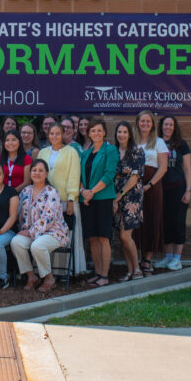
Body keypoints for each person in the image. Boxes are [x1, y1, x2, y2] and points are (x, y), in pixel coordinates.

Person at [11, 160, 69, 293]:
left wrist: (30, 232)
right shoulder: (25, 191)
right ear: (30, 172)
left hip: (53, 233)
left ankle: (49, 279)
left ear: (47, 173)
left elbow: (49, 219)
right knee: (16, 242)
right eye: (34, 170)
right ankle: (31, 276)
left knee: (37, 245)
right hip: (30, 233)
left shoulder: (51, 192)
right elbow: (18, 214)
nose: (37, 173)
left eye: (40, 170)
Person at [37, 123, 86, 276]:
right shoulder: (43, 152)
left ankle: (68, 270)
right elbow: (38, 175)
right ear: (48, 135)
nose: (54, 136)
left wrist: (71, 198)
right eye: (52, 133)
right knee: (47, 234)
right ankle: (47, 270)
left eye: (58, 133)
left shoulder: (70, 152)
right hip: (46, 202)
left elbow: (74, 175)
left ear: (63, 134)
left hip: (65, 200)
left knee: (65, 234)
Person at [79, 118, 118, 287]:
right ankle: (97, 272)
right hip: (87, 200)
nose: (96, 133)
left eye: (99, 130)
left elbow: (109, 175)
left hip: (102, 199)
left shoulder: (110, 150)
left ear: (104, 133)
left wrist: (91, 192)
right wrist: (83, 192)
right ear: (89, 133)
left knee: (103, 237)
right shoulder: (85, 153)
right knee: (92, 238)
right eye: (93, 130)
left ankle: (104, 274)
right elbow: (80, 177)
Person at [155, 115, 191, 272]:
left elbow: (187, 169)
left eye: (170, 125)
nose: (168, 127)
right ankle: (168, 257)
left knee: (178, 223)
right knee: (165, 224)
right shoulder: (156, 143)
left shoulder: (182, 145)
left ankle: (177, 259)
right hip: (162, 189)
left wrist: (188, 190)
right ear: (161, 127)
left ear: (174, 127)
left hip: (178, 189)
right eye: (165, 124)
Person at [135, 110, 168, 275]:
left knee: (151, 220)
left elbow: (163, 167)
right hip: (133, 186)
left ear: (152, 124)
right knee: (135, 223)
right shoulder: (133, 142)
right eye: (142, 121)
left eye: (148, 121)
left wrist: (149, 185)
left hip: (152, 186)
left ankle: (147, 260)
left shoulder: (159, 142)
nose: (145, 124)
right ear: (138, 123)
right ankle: (135, 260)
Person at [112, 121, 144, 280]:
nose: (122, 135)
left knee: (125, 235)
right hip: (116, 195)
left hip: (131, 196)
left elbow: (135, 177)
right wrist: (114, 197)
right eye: (119, 132)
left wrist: (119, 196)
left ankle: (137, 269)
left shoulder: (137, 151)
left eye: (125, 132)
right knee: (121, 235)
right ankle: (130, 271)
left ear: (129, 134)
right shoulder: (113, 151)